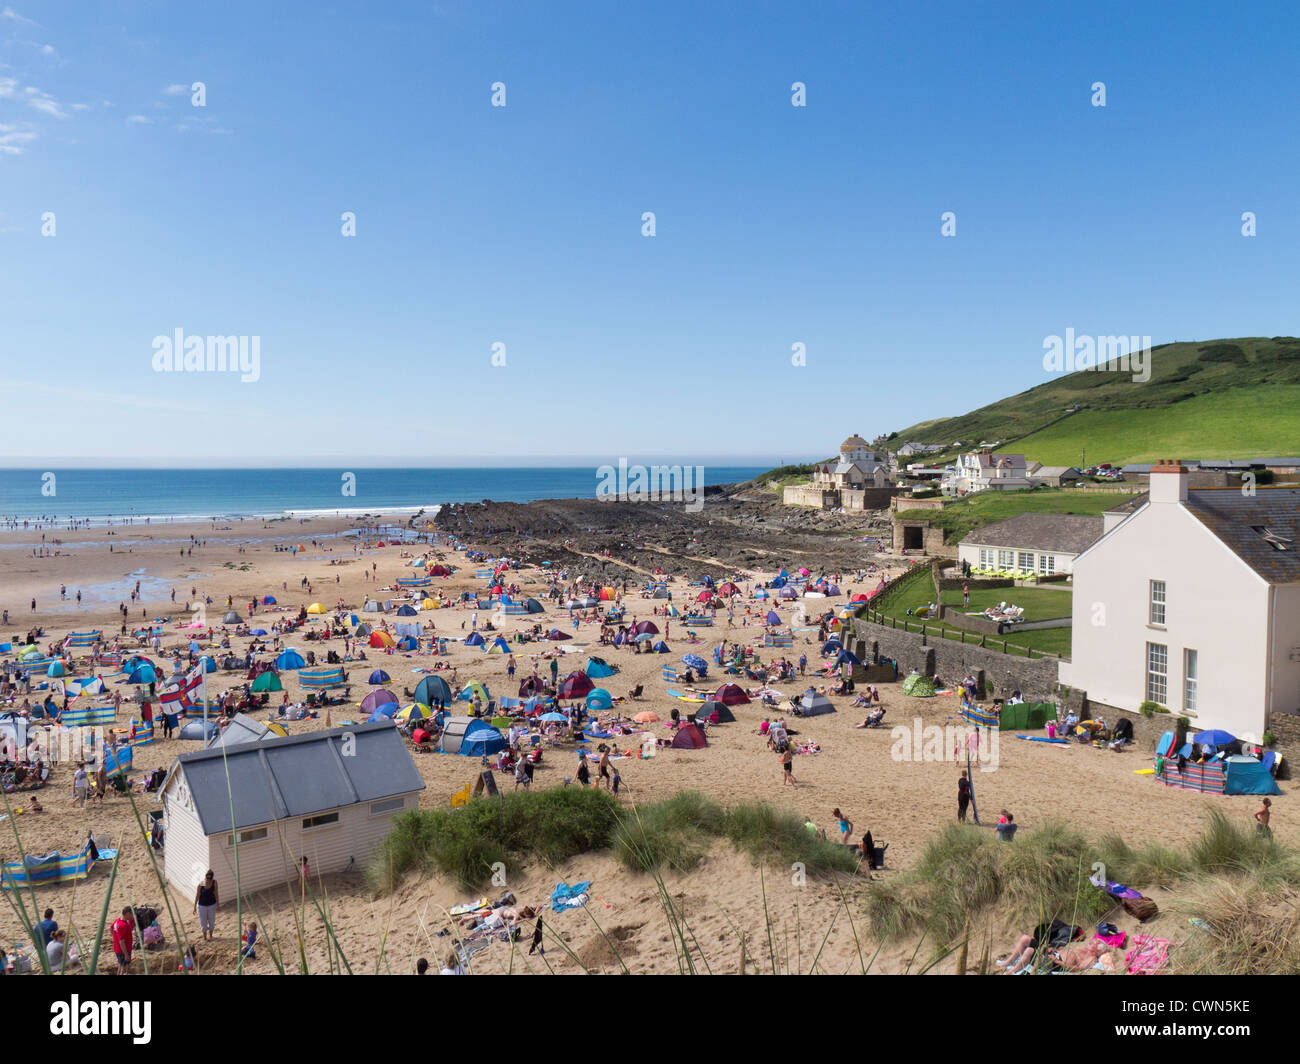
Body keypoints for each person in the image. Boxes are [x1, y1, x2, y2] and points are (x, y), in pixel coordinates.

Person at [194, 870, 219, 940]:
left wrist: (218, 904)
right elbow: (197, 896)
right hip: (202, 906)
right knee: (203, 922)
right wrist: (194, 907)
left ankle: (211, 936)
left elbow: (216, 893)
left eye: (209, 879)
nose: (208, 880)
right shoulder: (201, 884)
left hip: (212, 905)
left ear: (212, 878)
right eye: (207, 878)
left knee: (211, 921)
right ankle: (205, 937)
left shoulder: (214, 883)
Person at [111, 907, 135, 975]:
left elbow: (111, 928)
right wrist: (126, 954)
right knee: (123, 968)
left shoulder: (117, 921)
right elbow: (121, 942)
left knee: (120, 965)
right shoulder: (123, 926)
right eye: (131, 914)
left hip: (118, 949)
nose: (132, 916)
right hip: (124, 950)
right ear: (127, 914)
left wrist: (116, 938)